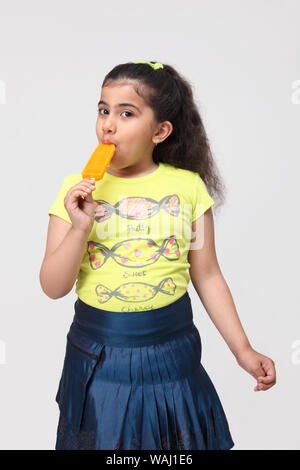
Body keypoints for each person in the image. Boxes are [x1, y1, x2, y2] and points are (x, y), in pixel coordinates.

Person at [39, 60, 276, 450]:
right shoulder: (74, 190)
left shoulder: (187, 188)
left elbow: (208, 274)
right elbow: (52, 286)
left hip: (173, 353)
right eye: (103, 110)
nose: (108, 125)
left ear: (160, 131)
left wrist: (243, 349)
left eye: (126, 113)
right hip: (99, 357)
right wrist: (80, 226)